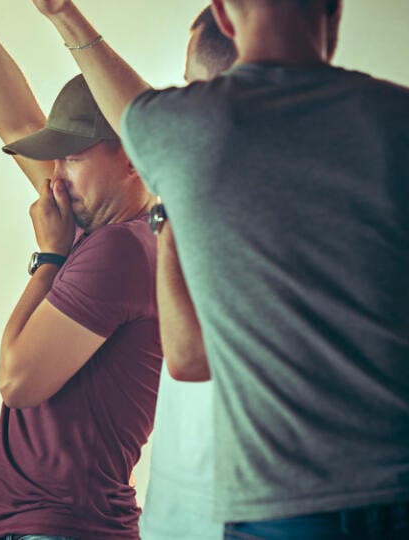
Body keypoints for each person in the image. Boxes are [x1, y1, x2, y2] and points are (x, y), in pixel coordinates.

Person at [37, 0, 409, 537]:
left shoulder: (187, 130)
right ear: (334, 12)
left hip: (281, 502)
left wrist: (63, 13)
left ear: (225, 16)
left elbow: (121, 107)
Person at [0, 2, 162, 538]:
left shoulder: (119, 250)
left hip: (66, 526)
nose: (55, 178)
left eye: (72, 156)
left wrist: (48, 259)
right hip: (48, 524)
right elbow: (18, 121)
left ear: (131, 157)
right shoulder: (102, 226)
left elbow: (18, 381)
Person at [132, 8, 237, 540]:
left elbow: (189, 358)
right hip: (178, 508)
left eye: (192, 85)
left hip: (253, 510)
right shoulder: (183, 179)